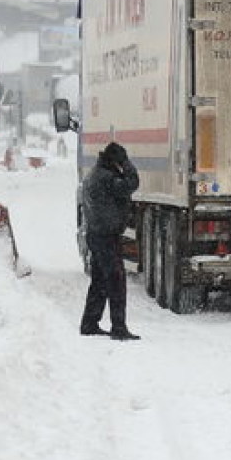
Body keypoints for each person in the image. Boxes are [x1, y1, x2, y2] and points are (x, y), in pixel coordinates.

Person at [80, 141, 141, 340]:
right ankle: (118, 328)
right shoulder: (106, 178)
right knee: (116, 281)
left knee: (99, 282)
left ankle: (89, 323)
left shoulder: (95, 174)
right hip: (106, 237)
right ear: (115, 160)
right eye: (120, 160)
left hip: (97, 235)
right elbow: (132, 183)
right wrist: (127, 164)